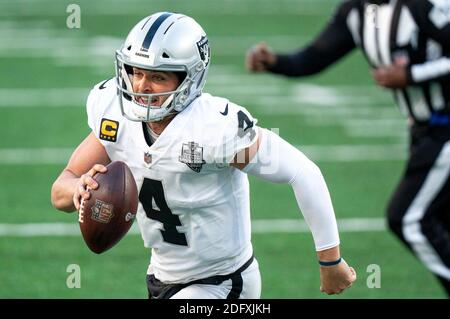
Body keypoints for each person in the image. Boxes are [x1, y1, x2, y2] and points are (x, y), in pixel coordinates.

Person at [51, 12, 356, 299]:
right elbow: (61, 189)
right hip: (161, 277)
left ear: (188, 79)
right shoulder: (115, 115)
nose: (142, 86)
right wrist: (78, 190)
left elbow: (302, 172)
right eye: (136, 72)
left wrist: (330, 262)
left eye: (158, 77)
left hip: (223, 282)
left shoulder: (215, 128)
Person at [246, 0, 450, 296]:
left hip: (444, 128)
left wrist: (412, 75)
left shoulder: (421, 5)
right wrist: (275, 62)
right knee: (437, 220)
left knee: (408, 218)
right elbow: (316, 57)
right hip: (423, 132)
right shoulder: (358, 12)